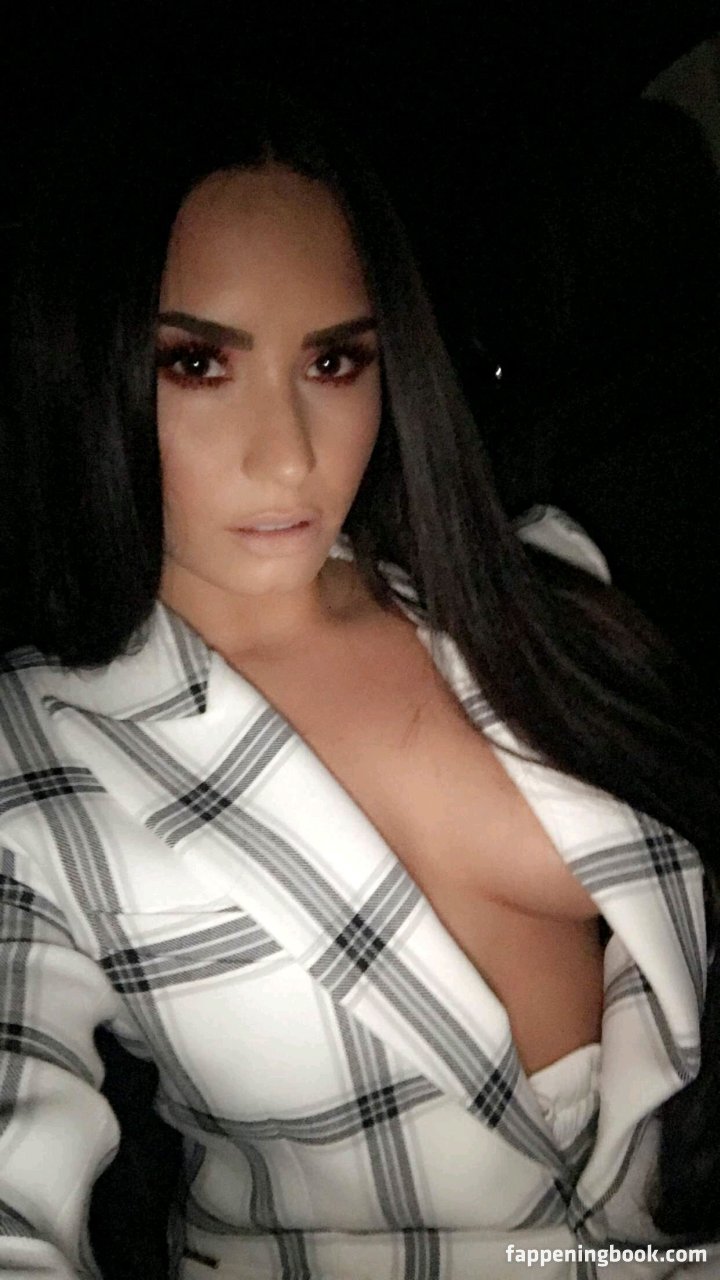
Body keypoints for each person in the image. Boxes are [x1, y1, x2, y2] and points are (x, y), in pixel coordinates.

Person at [1, 82, 719, 1280]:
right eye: (196, 363)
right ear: (86, 368)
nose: (289, 455)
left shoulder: (529, 593)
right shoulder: (34, 750)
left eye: (334, 359)